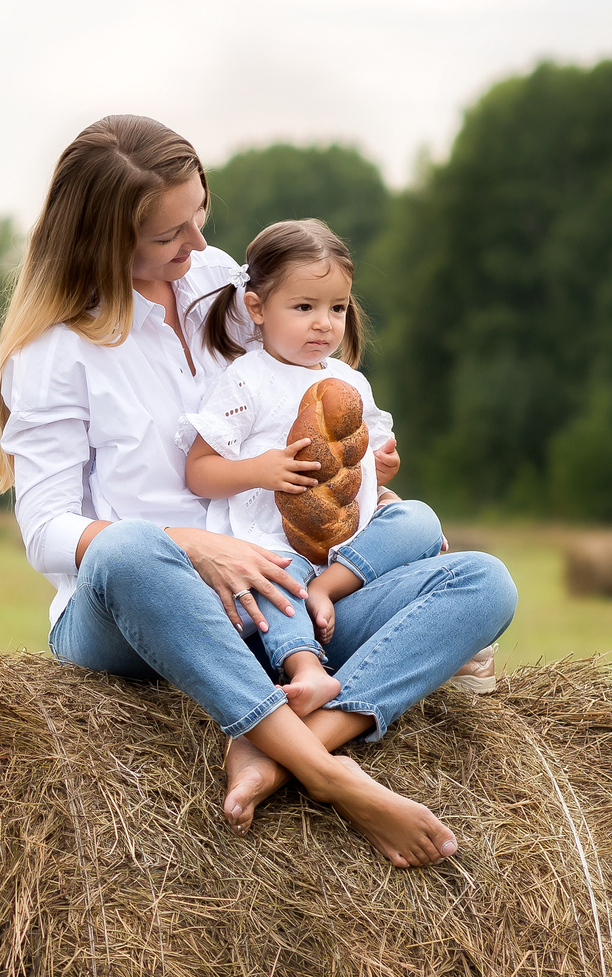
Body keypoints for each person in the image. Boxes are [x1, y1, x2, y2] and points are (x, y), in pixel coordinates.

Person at [0, 115, 517, 865]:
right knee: (129, 550)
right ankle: (333, 778)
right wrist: (194, 547)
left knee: (481, 581)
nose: (199, 247)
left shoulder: (217, 286)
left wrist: (357, 473)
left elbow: (294, 374)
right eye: (170, 235)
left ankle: (283, 748)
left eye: (200, 216)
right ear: (105, 240)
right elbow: (46, 531)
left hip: (274, 593)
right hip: (135, 609)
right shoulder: (55, 354)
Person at [179, 217, 455, 719]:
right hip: (272, 542)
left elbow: (356, 461)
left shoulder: (349, 381)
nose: (324, 323)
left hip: (348, 545)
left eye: (337, 308)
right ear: (257, 308)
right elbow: (198, 471)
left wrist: (377, 469)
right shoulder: (248, 381)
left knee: (419, 519)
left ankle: (326, 591)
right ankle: (306, 669)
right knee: (274, 588)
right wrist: (260, 470)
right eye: (304, 307)